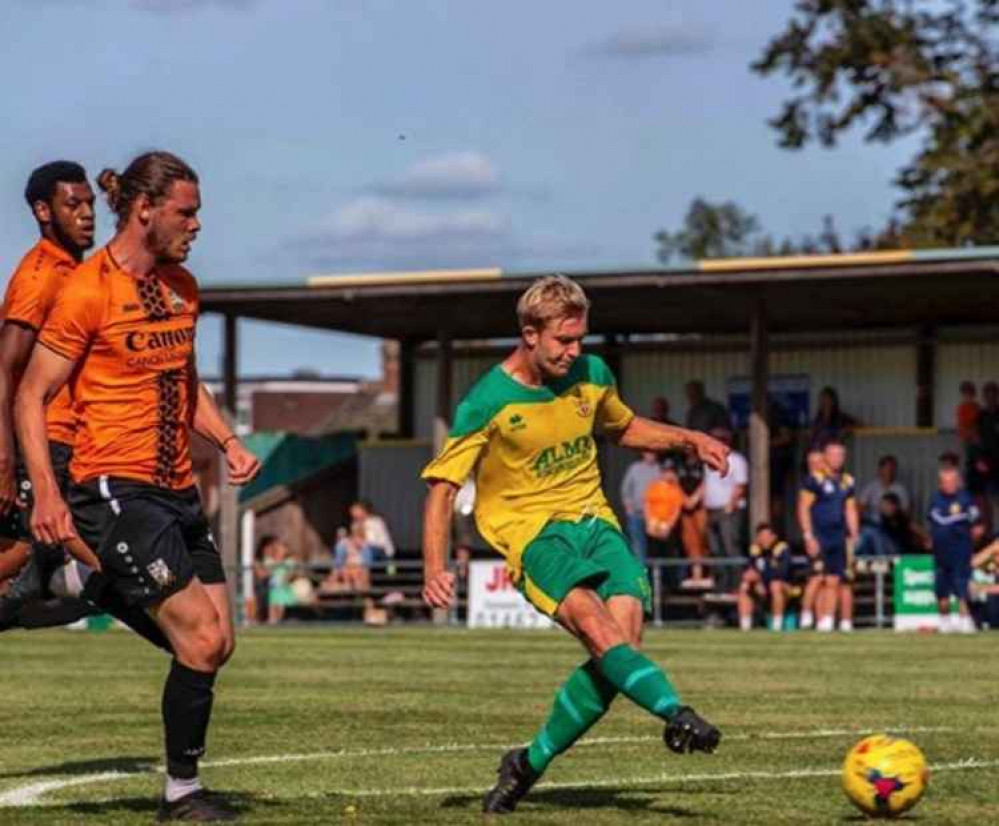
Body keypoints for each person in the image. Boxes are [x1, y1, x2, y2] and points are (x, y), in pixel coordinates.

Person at [420, 275, 728, 815]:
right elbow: (443, 488)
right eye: (563, 340)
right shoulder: (487, 401)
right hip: (534, 535)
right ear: (529, 334)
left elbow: (624, 427)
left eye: (579, 339)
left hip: (596, 524)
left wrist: (691, 438)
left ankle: (528, 763)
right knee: (597, 627)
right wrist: (433, 566)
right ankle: (676, 712)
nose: (574, 351)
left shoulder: (591, 375)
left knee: (622, 643)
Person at [15, 151, 261, 821]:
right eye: (187, 210)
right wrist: (48, 491)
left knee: (218, 645)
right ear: (145, 210)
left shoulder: (183, 286)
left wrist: (229, 440)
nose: (198, 223)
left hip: (176, 488)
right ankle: (182, 796)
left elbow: (187, 383)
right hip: (112, 487)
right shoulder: (86, 289)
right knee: (200, 641)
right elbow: (30, 395)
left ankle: (82, 582)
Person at [0, 161, 97, 629]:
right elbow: (4, 371)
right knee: (36, 555)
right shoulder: (39, 277)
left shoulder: (78, 273)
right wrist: (5, 462)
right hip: (43, 440)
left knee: (57, 577)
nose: (86, 214)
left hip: (77, 443)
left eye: (90, 204)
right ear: (43, 210)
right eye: (72, 204)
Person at [798, 439, 859, 632]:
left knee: (834, 579)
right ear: (825, 457)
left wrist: (854, 533)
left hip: (838, 537)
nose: (837, 459)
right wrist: (808, 536)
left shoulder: (847, 481)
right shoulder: (814, 480)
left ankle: (827, 620)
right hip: (819, 535)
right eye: (833, 455)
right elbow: (803, 508)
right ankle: (806, 615)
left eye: (841, 455)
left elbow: (850, 509)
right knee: (816, 578)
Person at [928, 465, 982, 634]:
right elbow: (938, 519)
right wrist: (959, 518)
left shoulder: (966, 499)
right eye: (946, 482)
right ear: (940, 483)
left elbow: (976, 521)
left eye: (953, 481)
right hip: (941, 552)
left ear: (958, 482)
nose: (950, 484)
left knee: (961, 585)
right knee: (941, 589)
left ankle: (965, 620)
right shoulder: (935, 499)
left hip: (961, 550)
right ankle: (945, 622)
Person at [703, 427, 747, 590]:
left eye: (722, 438)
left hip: (728, 510)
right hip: (711, 509)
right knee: (715, 549)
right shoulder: (709, 461)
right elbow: (706, 484)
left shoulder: (737, 460)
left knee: (730, 547)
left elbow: (740, 486)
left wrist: (730, 505)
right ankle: (721, 584)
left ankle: (736, 584)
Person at [737, 523, 790, 631]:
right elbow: (750, 570)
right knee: (745, 586)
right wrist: (751, 578)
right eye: (761, 537)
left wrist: (760, 578)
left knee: (775, 585)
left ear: (773, 537)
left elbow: (782, 573)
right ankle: (745, 626)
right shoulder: (755, 550)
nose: (764, 539)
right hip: (762, 586)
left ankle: (777, 626)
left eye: (766, 536)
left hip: (784, 587)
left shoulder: (782, 549)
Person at [620, 450, 660, 563]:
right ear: (643, 453)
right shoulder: (635, 468)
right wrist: (628, 507)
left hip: (654, 517)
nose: (651, 454)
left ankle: (654, 577)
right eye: (648, 452)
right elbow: (625, 489)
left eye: (653, 452)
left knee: (654, 549)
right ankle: (641, 576)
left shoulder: (659, 470)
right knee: (638, 547)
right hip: (636, 514)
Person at [677, 452, 710, 588]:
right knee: (690, 542)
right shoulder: (679, 465)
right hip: (684, 506)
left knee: (704, 539)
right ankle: (696, 575)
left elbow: (706, 483)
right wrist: (685, 500)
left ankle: (707, 574)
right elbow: (675, 482)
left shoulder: (703, 465)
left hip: (700, 506)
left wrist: (695, 498)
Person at [858, 455, 911, 522]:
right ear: (880, 469)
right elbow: (860, 507)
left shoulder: (901, 490)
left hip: (893, 526)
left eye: (893, 469)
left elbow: (906, 513)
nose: (890, 471)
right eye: (887, 468)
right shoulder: (870, 487)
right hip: (873, 524)